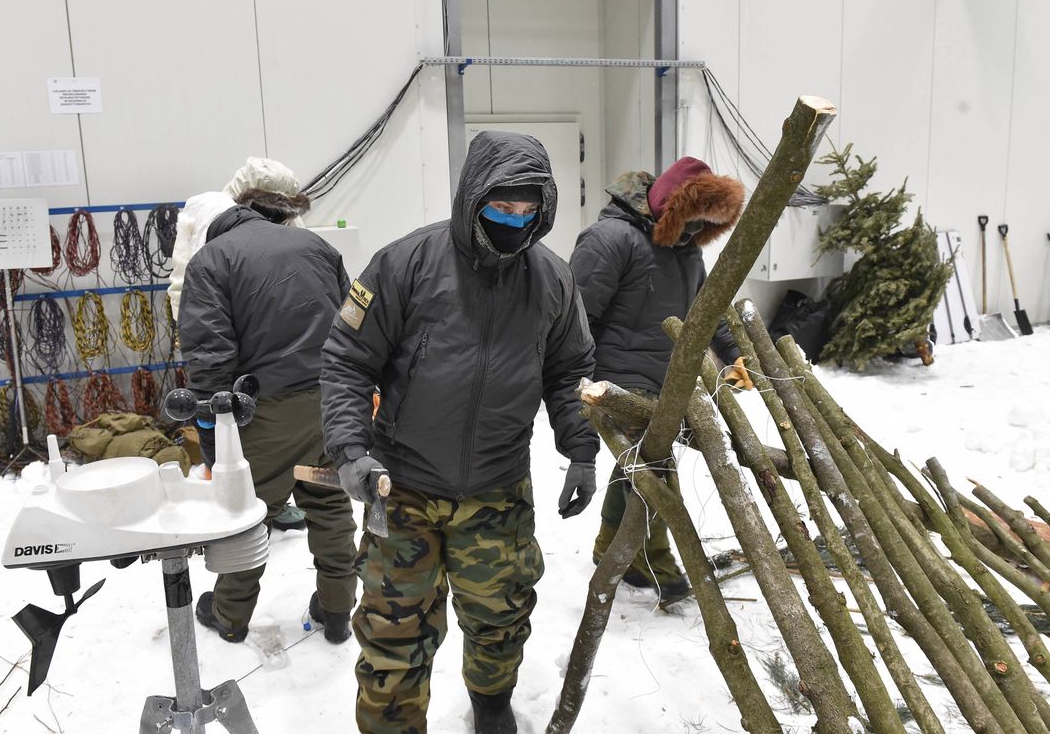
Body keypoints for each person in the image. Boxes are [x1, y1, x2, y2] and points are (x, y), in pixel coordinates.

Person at [320, 131, 599, 734]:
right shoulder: (405, 263)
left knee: (500, 618)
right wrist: (350, 451)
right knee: (395, 634)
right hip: (403, 488)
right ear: (473, 198)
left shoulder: (551, 278)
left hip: (498, 490)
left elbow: (569, 370)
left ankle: (493, 703)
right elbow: (346, 359)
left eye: (529, 211)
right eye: (502, 207)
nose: (514, 221)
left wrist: (580, 449)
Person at [176, 158, 358, 645]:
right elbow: (352, 324)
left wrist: (215, 441)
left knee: (249, 511)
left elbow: (209, 359)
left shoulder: (211, 262)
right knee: (329, 500)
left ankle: (231, 615)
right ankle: (338, 609)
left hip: (267, 413)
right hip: (331, 403)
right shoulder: (316, 245)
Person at [569, 156, 749, 602]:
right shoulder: (611, 240)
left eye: (703, 225)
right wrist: (573, 382)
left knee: (639, 465)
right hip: (612, 381)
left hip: (664, 378)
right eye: (688, 220)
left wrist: (734, 354)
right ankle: (659, 565)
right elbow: (573, 318)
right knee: (654, 466)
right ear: (669, 206)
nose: (693, 232)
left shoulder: (687, 255)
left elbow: (706, 311)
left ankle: (611, 548)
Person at [169, 159, 309, 532]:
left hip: (284, 371)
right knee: (240, 448)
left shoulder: (291, 232)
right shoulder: (210, 232)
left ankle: (267, 501)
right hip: (235, 362)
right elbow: (188, 297)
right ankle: (249, 509)